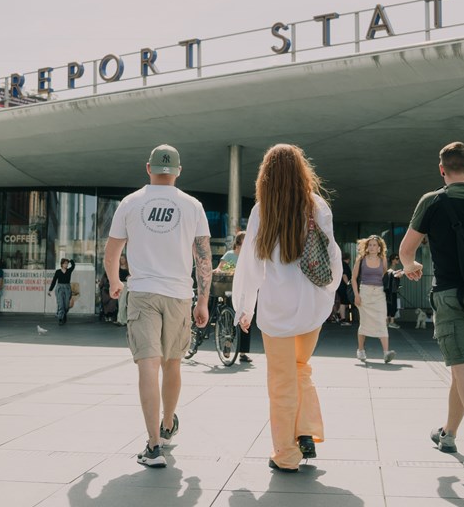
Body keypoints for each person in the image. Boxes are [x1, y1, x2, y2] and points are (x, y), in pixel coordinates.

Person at [232, 144, 342, 473]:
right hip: (311, 307)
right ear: (301, 171)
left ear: (266, 176)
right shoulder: (317, 205)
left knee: (281, 381)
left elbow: (250, 264)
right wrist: (330, 290)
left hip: (276, 309)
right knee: (300, 368)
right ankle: (305, 431)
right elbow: (332, 255)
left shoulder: (262, 210)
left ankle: (286, 453)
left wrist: (244, 307)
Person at [399, 141, 464, 471]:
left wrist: (410, 266)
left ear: (442, 169)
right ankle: (448, 433)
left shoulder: (432, 201)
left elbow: (407, 250)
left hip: (449, 294)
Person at [103, 144, 210, 469]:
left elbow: (112, 252)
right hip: (180, 294)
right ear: (178, 171)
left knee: (147, 365)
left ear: (148, 167)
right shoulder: (192, 206)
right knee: (172, 363)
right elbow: (203, 257)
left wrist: (114, 281)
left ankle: (153, 446)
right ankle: (166, 425)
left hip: (144, 291)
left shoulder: (131, 203)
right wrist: (202, 300)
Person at [352, 236, 396, 363]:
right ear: (367, 247)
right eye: (370, 245)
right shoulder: (361, 259)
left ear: (379, 247)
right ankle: (360, 350)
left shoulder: (383, 259)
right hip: (364, 293)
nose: (371, 247)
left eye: (374, 245)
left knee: (382, 321)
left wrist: (394, 275)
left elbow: (385, 277)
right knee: (364, 323)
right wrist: (356, 295)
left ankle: (386, 353)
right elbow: (353, 278)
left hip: (379, 294)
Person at [215, 231, 253, 363]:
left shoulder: (249, 257)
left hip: (245, 292)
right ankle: (227, 345)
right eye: (245, 243)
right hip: (230, 291)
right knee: (232, 319)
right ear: (238, 244)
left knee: (247, 318)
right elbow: (220, 269)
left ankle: (243, 352)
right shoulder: (230, 255)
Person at [47, 258, 76, 325]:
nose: (66, 265)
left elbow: (73, 266)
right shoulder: (58, 272)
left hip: (67, 288)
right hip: (59, 288)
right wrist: (50, 290)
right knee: (61, 304)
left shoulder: (69, 271)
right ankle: (60, 318)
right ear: (62, 264)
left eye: (67, 263)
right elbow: (54, 281)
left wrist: (70, 260)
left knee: (66, 305)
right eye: (65, 263)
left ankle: (64, 314)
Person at [383, 254, 404, 329]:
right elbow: (394, 275)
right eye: (396, 258)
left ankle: (387, 322)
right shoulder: (391, 271)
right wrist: (403, 272)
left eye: (398, 258)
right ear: (392, 260)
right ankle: (391, 322)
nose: (398, 260)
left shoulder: (392, 270)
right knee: (393, 306)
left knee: (389, 306)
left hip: (390, 291)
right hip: (391, 292)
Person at [334, 254, 353, 326]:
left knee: (346, 301)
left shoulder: (340, 264)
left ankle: (338, 312)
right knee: (344, 301)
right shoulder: (344, 265)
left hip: (340, 285)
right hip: (343, 286)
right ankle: (343, 319)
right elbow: (344, 275)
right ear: (348, 259)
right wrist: (348, 284)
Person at [115, 254, 131, 326]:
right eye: (121, 259)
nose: (122, 260)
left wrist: (129, 276)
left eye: (123, 259)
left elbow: (133, 274)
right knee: (120, 303)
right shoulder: (118, 267)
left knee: (122, 303)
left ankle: (119, 320)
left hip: (126, 285)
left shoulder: (129, 267)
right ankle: (124, 320)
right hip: (119, 285)